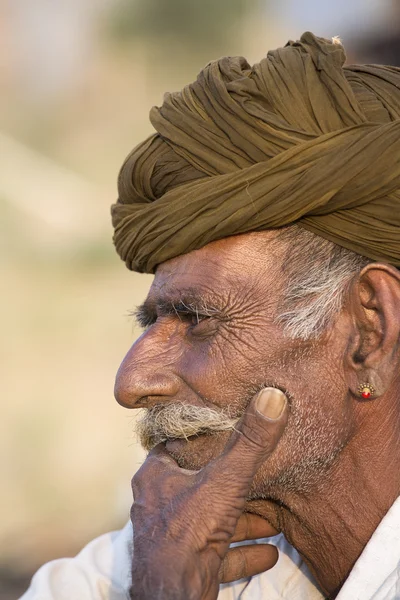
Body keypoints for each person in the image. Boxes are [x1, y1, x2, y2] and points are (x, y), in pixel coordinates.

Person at [22, 32, 400, 600]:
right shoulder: (162, 552)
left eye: (197, 319)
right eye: (150, 322)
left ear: (368, 332)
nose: (132, 385)